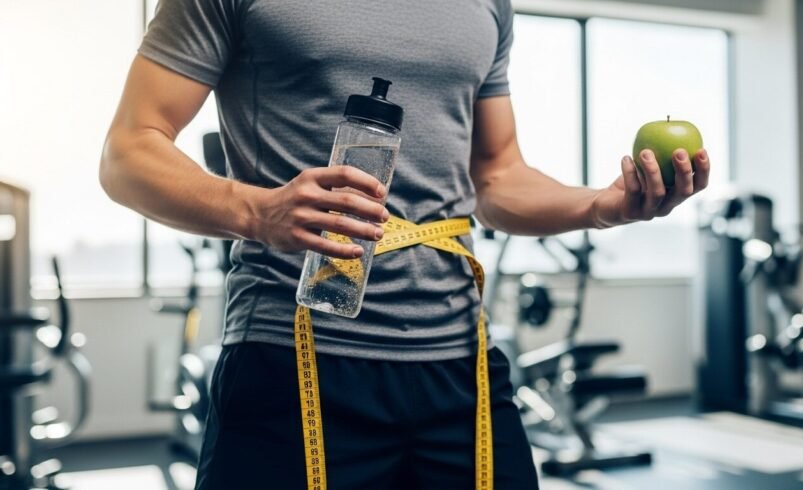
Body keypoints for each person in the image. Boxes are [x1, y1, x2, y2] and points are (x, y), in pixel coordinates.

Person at [99, 1, 710, 488]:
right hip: (293, 355)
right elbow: (129, 152)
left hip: (460, 367)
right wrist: (257, 210)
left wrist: (602, 207)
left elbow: (495, 176)